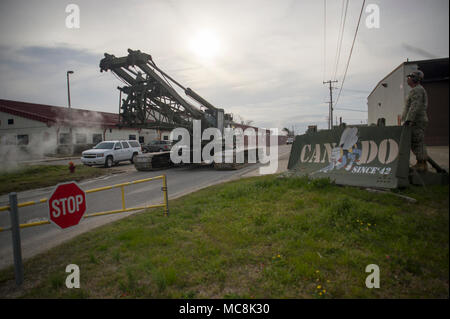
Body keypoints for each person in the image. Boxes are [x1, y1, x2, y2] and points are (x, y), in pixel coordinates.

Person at [402, 70, 428, 172]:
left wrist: (409, 120)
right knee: (414, 141)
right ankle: (420, 162)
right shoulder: (417, 90)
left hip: (416, 121)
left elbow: (414, 106)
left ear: (415, 79)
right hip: (415, 120)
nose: (408, 79)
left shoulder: (417, 90)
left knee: (417, 141)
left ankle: (422, 164)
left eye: (410, 77)